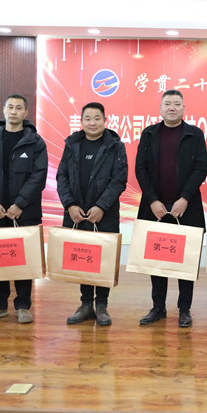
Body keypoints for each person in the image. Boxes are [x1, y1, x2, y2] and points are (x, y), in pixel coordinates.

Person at [135, 89, 207, 328]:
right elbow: (140, 169)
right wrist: (152, 200)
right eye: (167, 104)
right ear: (160, 108)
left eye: (177, 104)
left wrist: (185, 198)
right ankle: (158, 307)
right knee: (157, 260)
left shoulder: (195, 134)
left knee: (186, 261)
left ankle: (184, 308)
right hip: (155, 208)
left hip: (186, 208)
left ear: (184, 108)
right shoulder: (149, 133)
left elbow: (201, 168)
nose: (172, 108)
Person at [0, 93, 48, 324]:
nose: (14, 111)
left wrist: (20, 204)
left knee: (24, 260)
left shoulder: (35, 142)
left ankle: (23, 306)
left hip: (24, 212)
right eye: (10, 107)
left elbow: (39, 176)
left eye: (19, 108)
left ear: (26, 113)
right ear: (4, 110)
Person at [57, 102, 128, 327]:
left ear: (105, 121)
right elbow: (62, 176)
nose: (92, 123)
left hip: (104, 213)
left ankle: (102, 306)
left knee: (103, 259)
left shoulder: (115, 146)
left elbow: (119, 180)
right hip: (77, 213)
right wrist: (69, 205)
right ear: (81, 121)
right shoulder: (72, 144)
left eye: (97, 118)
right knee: (83, 258)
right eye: (88, 118)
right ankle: (86, 304)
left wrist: (101, 206)